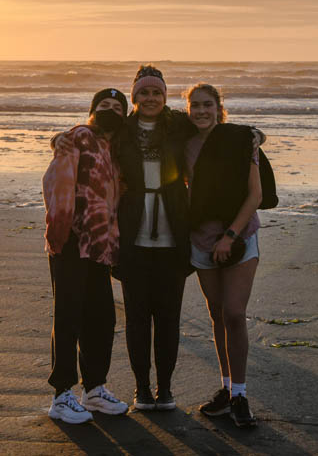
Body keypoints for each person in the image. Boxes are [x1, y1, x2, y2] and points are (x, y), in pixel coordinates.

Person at [43, 87, 130, 424]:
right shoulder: (78, 136)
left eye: (117, 107)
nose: (111, 110)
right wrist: (59, 232)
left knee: (101, 318)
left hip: (100, 246)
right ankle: (62, 395)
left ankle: (93, 390)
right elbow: (57, 181)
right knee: (68, 316)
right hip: (71, 241)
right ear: (93, 111)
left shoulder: (115, 148)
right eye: (103, 106)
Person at [114, 65, 195, 412]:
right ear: (134, 97)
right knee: (136, 317)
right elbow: (85, 134)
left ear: (165, 97)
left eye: (157, 93)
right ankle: (141, 388)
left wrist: (253, 136)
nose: (150, 98)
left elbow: (215, 130)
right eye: (144, 93)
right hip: (132, 233)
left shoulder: (179, 125)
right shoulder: (120, 129)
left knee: (168, 317)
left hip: (173, 234)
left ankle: (166, 388)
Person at [184, 83, 263, 429]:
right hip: (201, 239)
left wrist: (230, 235)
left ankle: (242, 395)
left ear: (219, 108)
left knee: (234, 313)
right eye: (195, 106)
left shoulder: (240, 140)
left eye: (207, 105)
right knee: (217, 315)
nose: (201, 111)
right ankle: (227, 390)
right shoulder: (183, 145)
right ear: (188, 110)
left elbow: (256, 194)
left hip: (240, 237)